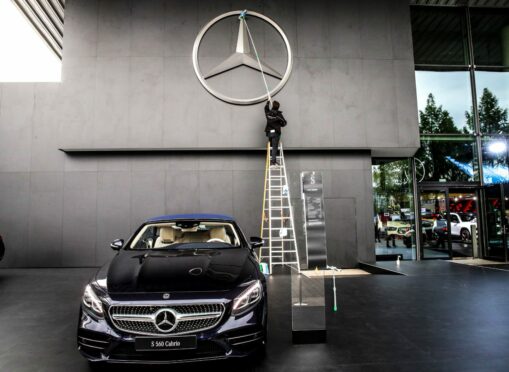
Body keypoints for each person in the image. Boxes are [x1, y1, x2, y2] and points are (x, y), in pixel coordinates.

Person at [264, 100, 287, 166]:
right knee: (274, 147)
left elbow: (266, 109)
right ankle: (273, 162)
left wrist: (267, 103)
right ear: (278, 107)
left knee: (271, 146)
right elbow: (284, 123)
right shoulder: (278, 114)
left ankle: (271, 160)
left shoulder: (268, 113)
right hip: (276, 133)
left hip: (269, 133)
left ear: (272, 106)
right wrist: (280, 121)